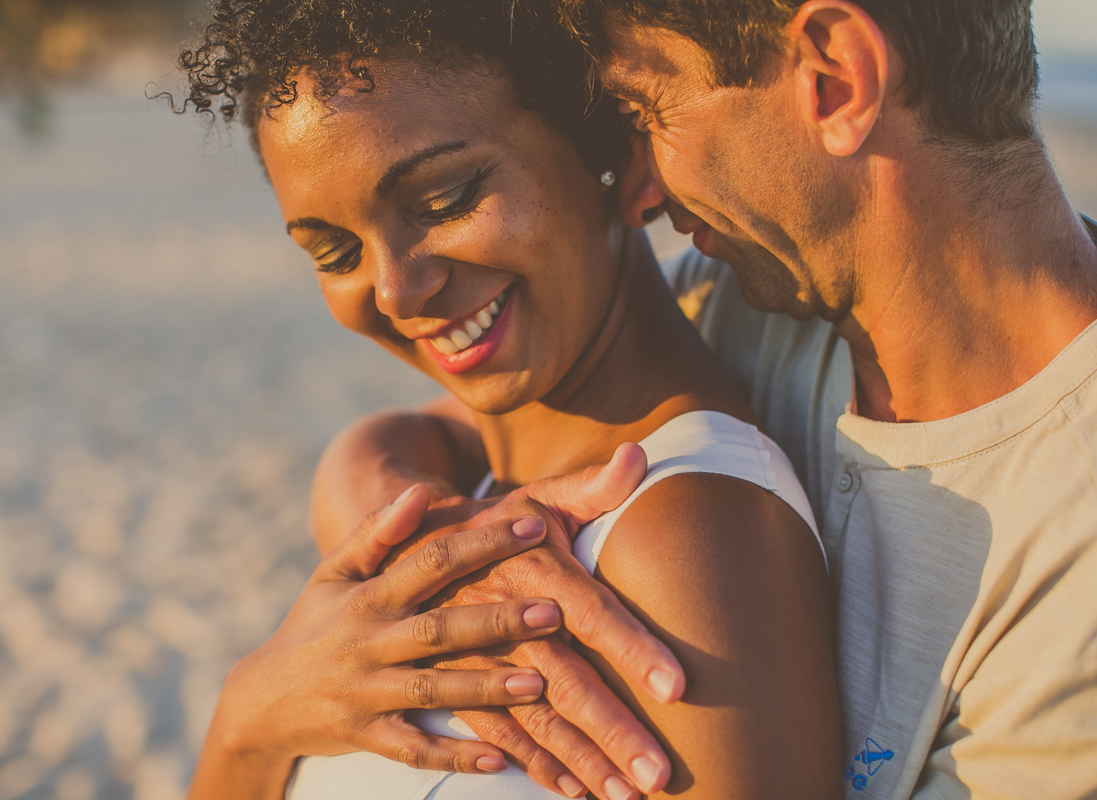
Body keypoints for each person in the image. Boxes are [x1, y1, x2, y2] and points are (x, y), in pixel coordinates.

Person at [309, 0, 1097, 798]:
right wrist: (441, 553)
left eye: (644, 109)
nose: (640, 195)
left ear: (835, 79)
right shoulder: (751, 296)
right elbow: (431, 436)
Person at [176, 1, 841, 799]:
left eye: (444, 198)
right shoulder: (457, 514)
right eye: (335, 251)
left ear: (622, 160)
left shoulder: (685, 542)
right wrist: (249, 719)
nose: (396, 290)